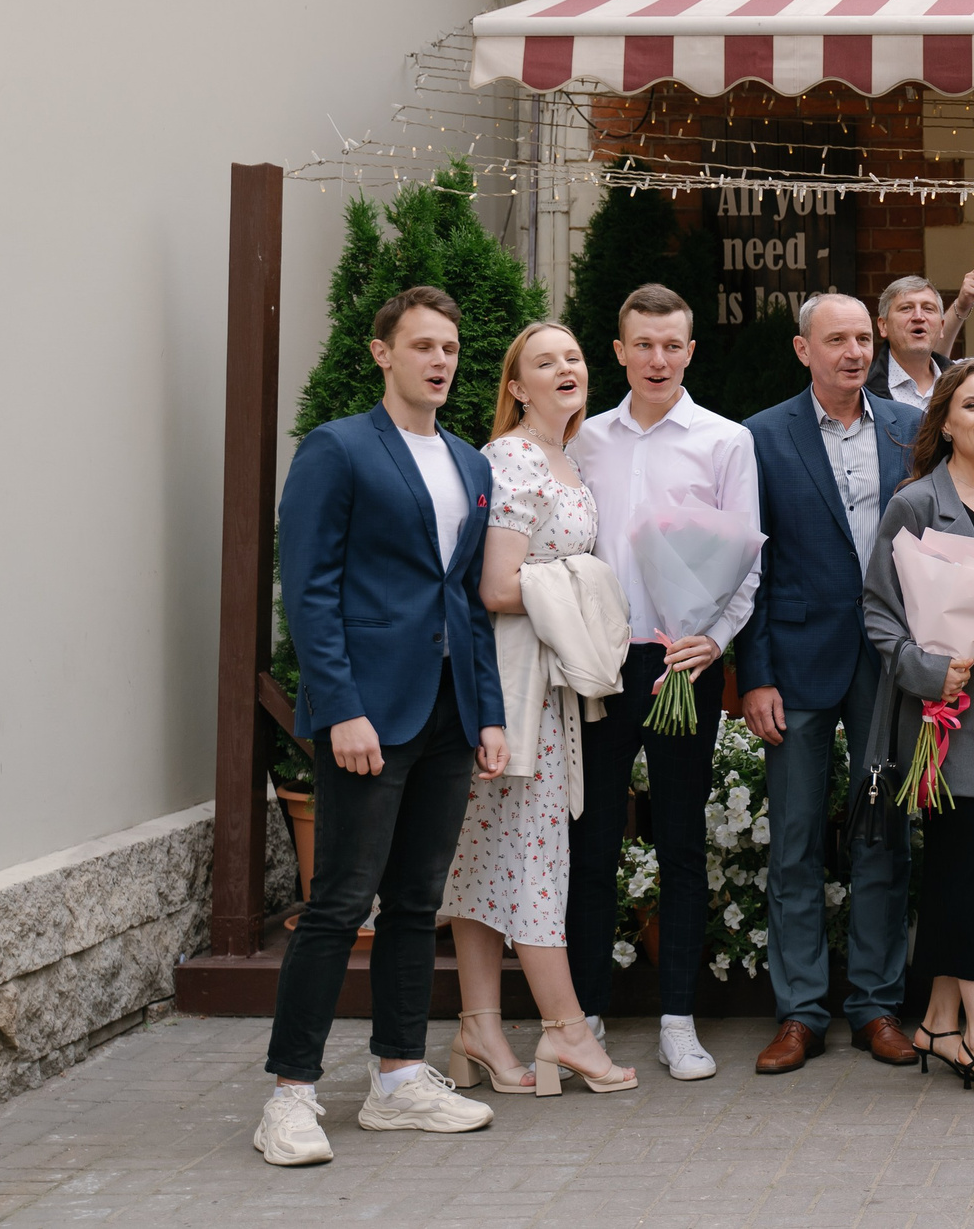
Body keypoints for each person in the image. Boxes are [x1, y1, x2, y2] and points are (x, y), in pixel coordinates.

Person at [258, 286, 506, 1167]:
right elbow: (309, 590)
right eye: (423, 345)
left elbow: (468, 603)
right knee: (338, 903)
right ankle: (289, 1094)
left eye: (451, 346)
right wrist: (341, 708)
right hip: (369, 711)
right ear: (382, 354)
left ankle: (398, 1078)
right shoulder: (339, 448)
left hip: (447, 712)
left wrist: (489, 714)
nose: (441, 360)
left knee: (415, 902)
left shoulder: (471, 464)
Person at [565, 283, 761, 1084]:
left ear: (690, 350)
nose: (657, 358)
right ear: (617, 350)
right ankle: (585, 1014)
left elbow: (749, 559)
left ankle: (678, 1017)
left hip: (680, 662)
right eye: (642, 344)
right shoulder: (583, 441)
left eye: (672, 344)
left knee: (682, 840)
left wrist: (713, 640)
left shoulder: (724, 441)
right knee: (592, 840)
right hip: (598, 663)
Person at [441, 321, 635, 1098]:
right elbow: (495, 584)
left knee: (491, 852)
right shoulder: (515, 456)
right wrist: (588, 582)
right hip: (513, 686)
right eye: (544, 361)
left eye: (574, 357)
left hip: (547, 686)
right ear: (516, 387)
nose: (567, 368)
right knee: (530, 853)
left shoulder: (567, 456)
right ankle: (566, 1030)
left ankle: (479, 1028)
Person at [740, 292, 920, 1075]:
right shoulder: (760, 436)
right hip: (798, 662)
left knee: (885, 835)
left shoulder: (910, 430)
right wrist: (755, 675)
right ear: (801, 348)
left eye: (861, 338)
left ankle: (878, 1004)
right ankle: (800, 1012)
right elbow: (750, 563)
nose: (853, 351)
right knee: (797, 840)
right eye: (835, 339)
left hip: (887, 663)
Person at [862, 362, 974, 1101]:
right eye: (972, 404)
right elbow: (878, 608)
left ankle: (938, 1021)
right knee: (972, 871)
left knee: (965, 871)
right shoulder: (914, 503)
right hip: (941, 723)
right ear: (945, 420)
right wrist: (925, 669)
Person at [872, 272, 974, 409]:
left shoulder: (964, 384)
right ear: (883, 326)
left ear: (942, 327)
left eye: (928, 309)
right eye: (906, 308)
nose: (919, 316)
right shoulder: (861, 388)